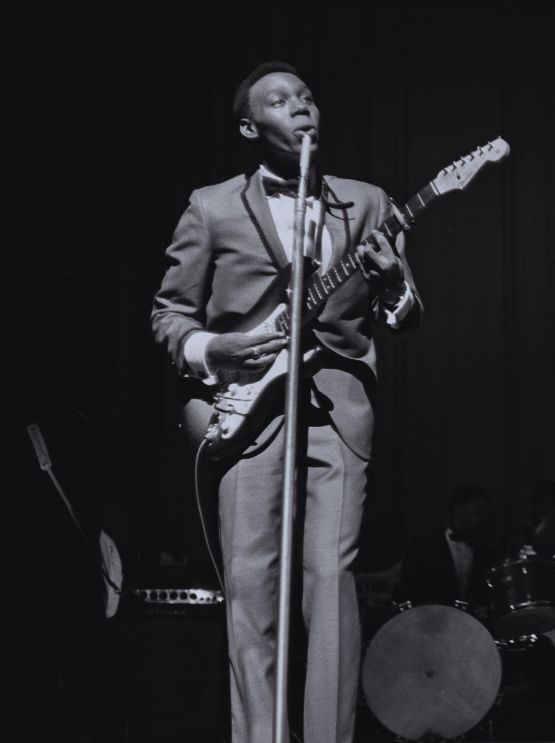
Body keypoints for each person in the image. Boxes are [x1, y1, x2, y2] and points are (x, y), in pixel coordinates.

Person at [151, 61, 421, 743]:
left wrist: (393, 284)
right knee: (250, 586)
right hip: (244, 410)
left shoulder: (365, 202)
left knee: (331, 579)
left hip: (338, 402)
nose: (300, 106)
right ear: (250, 126)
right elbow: (170, 314)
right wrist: (214, 349)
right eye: (280, 100)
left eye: (306, 96)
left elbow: (406, 311)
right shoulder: (211, 206)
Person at [394, 483, 502, 607]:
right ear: (458, 511)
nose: (484, 520)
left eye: (485, 515)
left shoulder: (488, 555)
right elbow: (407, 598)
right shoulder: (422, 550)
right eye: (478, 512)